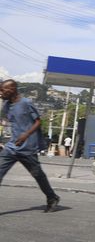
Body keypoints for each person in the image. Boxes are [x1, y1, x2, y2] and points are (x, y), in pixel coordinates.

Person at [0, 79, 60, 212]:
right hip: (11, 147)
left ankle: (52, 197)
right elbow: (9, 122)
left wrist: (25, 135)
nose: (1, 93)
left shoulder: (26, 103)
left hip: (27, 147)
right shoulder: (6, 105)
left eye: (3, 90)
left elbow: (38, 122)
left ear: (12, 89)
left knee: (38, 175)